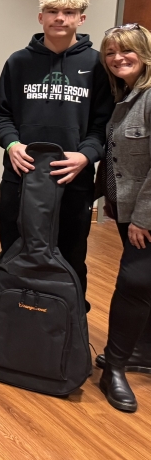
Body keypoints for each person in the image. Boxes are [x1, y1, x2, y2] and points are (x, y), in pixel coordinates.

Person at [0, 0, 113, 298]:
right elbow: (0, 115)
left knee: (71, 255)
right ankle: (11, 319)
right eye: (53, 12)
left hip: (73, 177)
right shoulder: (18, 62)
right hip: (21, 176)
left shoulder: (98, 65)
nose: (60, 18)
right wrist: (12, 145)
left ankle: (68, 328)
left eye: (69, 12)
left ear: (81, 18)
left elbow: (104, 125)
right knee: (14, 249)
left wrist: (86, 156)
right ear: (40, 17)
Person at [95, 23, 151, 413]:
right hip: (127, 209)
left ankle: (113, 368)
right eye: (111, 52)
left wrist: (143, 219)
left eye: (126, 50)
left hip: (144, 215)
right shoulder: (126, 95)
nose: (118, 58)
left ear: (145, 53)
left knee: (134, 280)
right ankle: (137, 351)